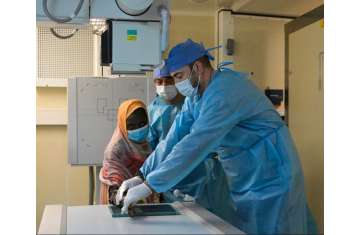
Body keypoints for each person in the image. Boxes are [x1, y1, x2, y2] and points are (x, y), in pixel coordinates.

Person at [117, 39, 317, 234]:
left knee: (277, 227)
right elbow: (174, 138)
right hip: (246, 173)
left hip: (272, 170)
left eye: (179, 76)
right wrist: (142, 175)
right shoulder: (195, 97)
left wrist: (151, 185)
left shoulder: (224, 92)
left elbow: (194, 145)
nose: (177, 84)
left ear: (197, 67)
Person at [98, 99, 154, 205]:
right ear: (123, 126)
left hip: (142, 200)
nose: (138, 129)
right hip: (120, 204)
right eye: (131, 126)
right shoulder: (115, 150)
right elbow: (113, 185)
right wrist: (122, 199)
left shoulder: (146, 144)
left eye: (142, 124)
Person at [147, 62, 184, 149]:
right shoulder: (152, 109)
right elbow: (150, 143)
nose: (164, 86)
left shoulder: (190, 104)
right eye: (159, 82)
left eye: (169, 81)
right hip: (162, 159)